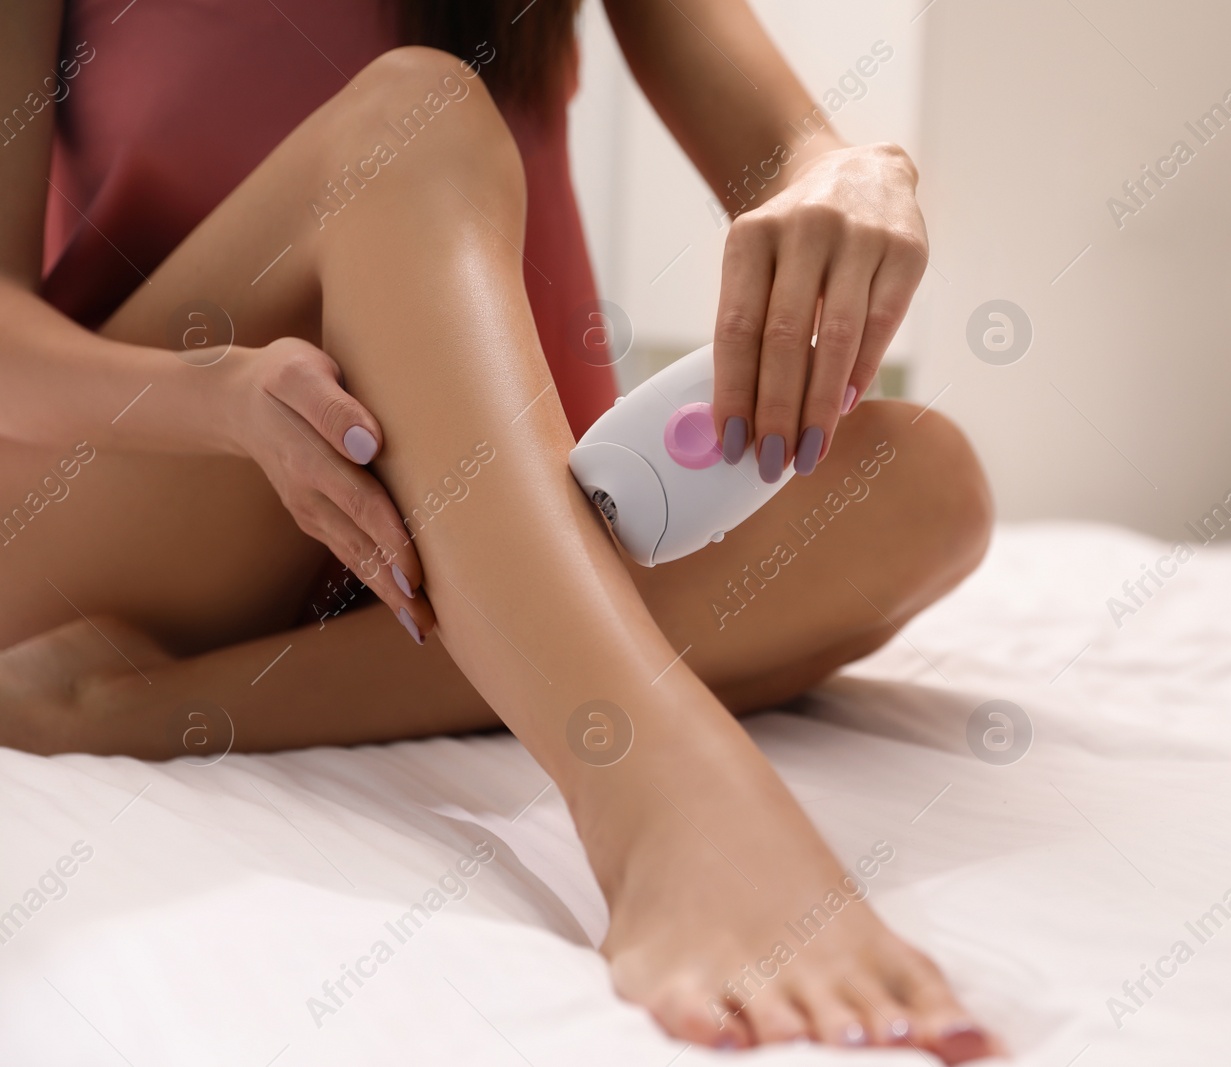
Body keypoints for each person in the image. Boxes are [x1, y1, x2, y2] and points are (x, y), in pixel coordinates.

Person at [0, 0, 998, 1059]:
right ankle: (661, 794)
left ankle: (129, 705)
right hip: (153, 471)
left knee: (925, 484)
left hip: (468, 508)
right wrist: (219, 398)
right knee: (415, 109)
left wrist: (846, 173)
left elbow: (788, 151)